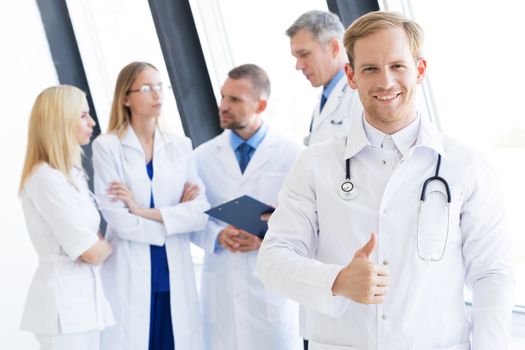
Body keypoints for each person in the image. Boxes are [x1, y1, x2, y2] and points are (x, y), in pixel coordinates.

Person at [257, 11, 513, 350]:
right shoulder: (315, 164)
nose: (386, 82)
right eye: (370, 69)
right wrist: (337, 280)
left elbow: (492, 275)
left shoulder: (467, 166)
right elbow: (272, 259)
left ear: (419, 70)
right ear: (350, 76)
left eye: (398, 66)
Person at [92, 61, 209, 350]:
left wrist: (141, 210)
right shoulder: (108, 147)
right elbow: (118, 220)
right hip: (130, 270)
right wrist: (173, 220)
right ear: (126, 98)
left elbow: (199, 214)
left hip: (174, 273)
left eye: (160, 87)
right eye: (146, 88)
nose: (157, 94)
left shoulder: (180, 145)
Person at [194, 64, 303, 350]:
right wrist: (216, 235)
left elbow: (306, 221)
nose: (223, 106)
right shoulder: (202, 157)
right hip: (222, 282)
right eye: (223, 97)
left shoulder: (293, 155)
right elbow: (191, 216)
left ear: (261, 104)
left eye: (235, 99)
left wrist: (265, 235)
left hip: (270, 288)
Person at [19, 85, 114, 350]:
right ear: (61, 120)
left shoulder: (70, 174)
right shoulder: (47, 178)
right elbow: (91, 252)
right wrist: (102, 246)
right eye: (83, 115)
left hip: (81, 304)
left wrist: (97, 245)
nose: (92, 122)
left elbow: (91, 243)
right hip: (63, 308)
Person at [287, 10, 363, 146]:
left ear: (334, 48)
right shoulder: (324, 100)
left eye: (304, 54)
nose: (298, 66)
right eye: (296, 57)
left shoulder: (361, 94)